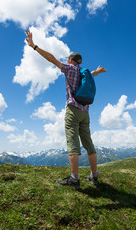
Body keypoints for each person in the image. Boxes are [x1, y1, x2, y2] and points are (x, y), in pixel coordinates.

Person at [25, 30, 107, 190]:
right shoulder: (86, 73)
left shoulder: (70, 69)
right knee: (89, 143)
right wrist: (98, 72)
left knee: (72, 142)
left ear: (71, 60)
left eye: (68, 60)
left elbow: (51, 59)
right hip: (85, 112)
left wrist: (34, 46)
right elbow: (92, 75)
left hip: (73, 109)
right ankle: (94, 176)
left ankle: (74, 179)